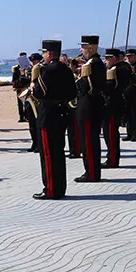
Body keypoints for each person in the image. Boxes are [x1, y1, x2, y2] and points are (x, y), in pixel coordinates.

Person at [32, 40, 77, 200]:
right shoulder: (65, 69)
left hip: (48, 115)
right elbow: (73, 92)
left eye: (44, 52)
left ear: (49, 53)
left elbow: (38, 92)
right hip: (62, 114)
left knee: (48, 155)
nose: (43, 55)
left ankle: (51, 189)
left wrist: (33, 83)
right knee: (58, 153)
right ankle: (60, 188)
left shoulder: (47, 70)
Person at [74, 35, 106, 182]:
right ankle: (91, 171)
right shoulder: (92, 63)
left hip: (89, 107)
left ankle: (92, 173)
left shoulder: (95, 64)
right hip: (88, 106)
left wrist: (77, 80)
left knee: (89, 142)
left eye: (84, 47)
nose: (81, 49)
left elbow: (88, 87)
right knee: (87, 141)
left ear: (92, 48)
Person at [102, 48, 129, 168]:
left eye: (107, 59)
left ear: (113, 58)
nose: (106, 61)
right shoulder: (123, 67)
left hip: (113, 105)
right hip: (114, 104)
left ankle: (112, 160)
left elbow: (110, 88)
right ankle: (111, 158)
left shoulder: (117, 69)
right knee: (109, 133)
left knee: (111, 134)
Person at [24, 53, 43, 152]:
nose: (33, 63)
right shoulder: (30, 69)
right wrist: (23, 74)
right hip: (30, 98)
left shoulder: (42, 69)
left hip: (37, 99)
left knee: (37, 123)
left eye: (34, 61)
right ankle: (34, 143)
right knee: (31, 124)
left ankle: (39, 144)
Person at [66, 58, 82, 158]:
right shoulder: (71, 76)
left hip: (75, 104)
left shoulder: (77, 76)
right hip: (70, 103)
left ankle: (76, 150)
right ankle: (72, 149)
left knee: (74, 129)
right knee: (70, 130)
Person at [12, 52, 30, 123]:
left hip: (26, 87)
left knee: (27, 102)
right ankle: (21, 116)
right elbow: (14, 78)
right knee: (20, 103)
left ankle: (27, 116)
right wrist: (14, 85)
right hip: (19, 87)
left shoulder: (29, 67)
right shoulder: (16, 68)